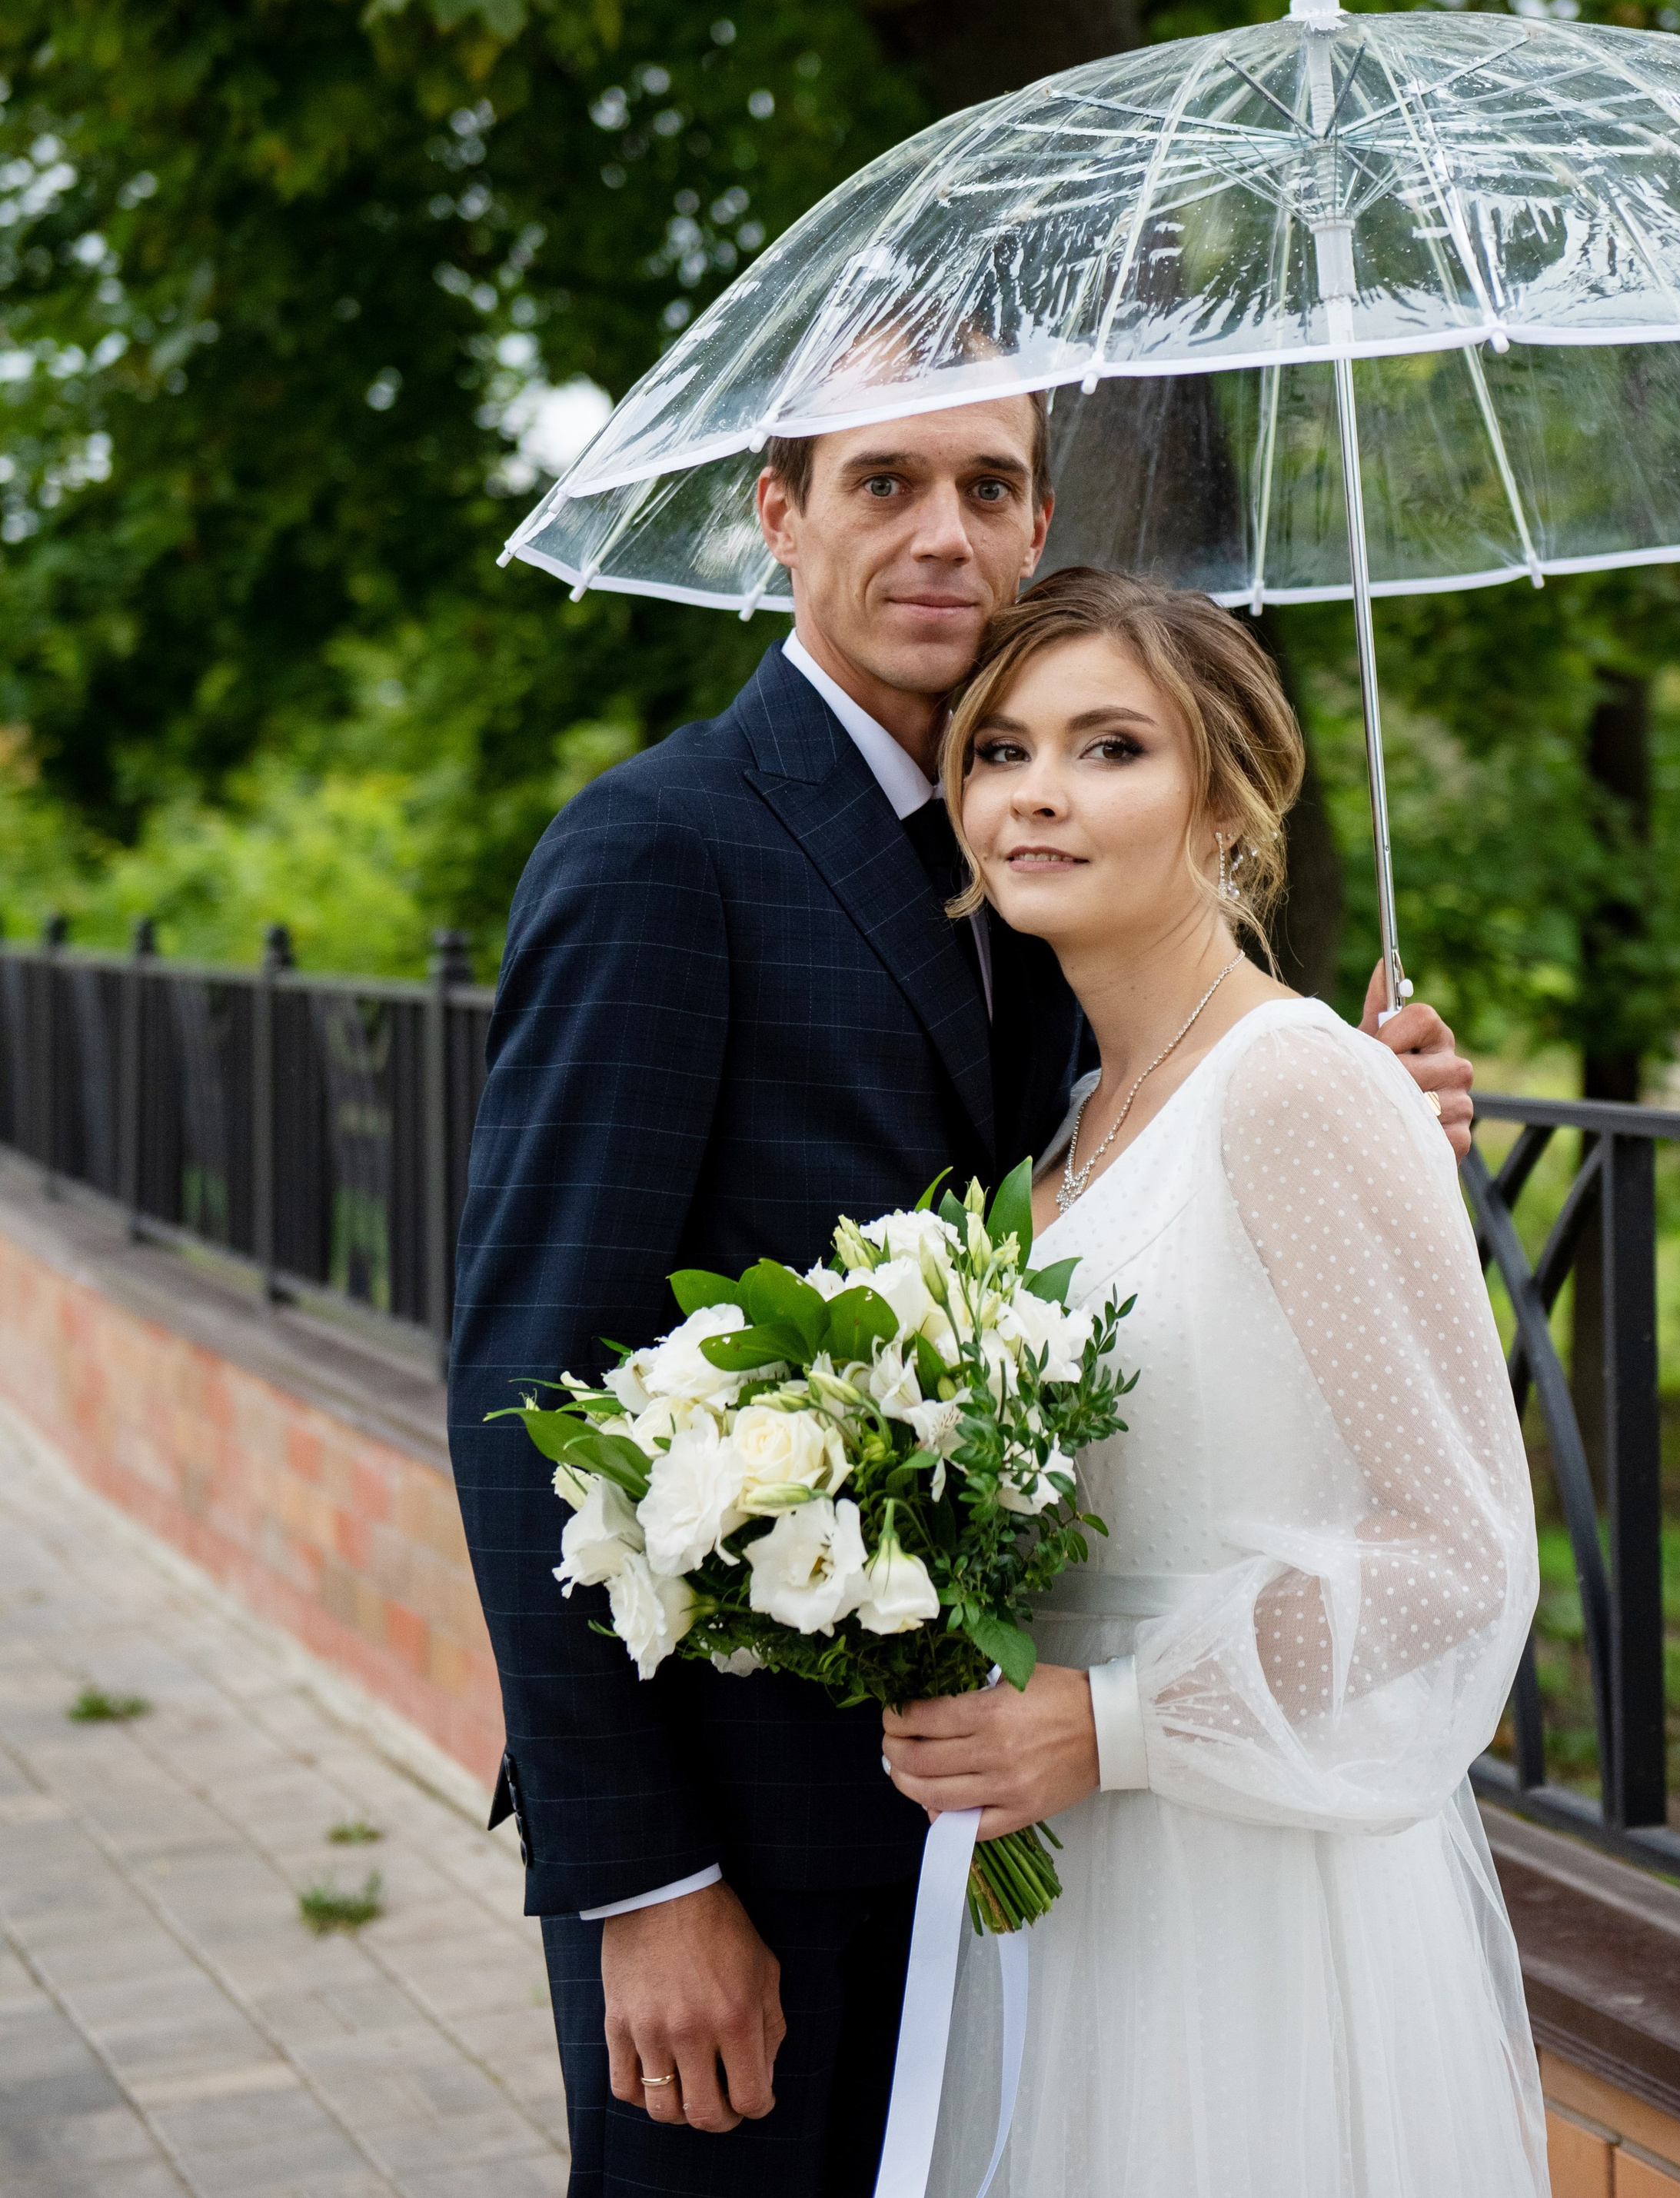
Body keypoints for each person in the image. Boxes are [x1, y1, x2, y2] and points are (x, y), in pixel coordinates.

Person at [447, 399, 1478, 2198]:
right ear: (780, 512)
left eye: (985, 485)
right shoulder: (658, 849)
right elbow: (526, 1384)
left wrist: (1363, 1118)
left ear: (1034, 524)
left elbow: (1181, 1213)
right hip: (747, 1861)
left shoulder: (1032, 890)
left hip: (1037, 1851)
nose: (940, 530)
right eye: (883, 482)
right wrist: (647, 1881)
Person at [884, 568, 1545, 2198]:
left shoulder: (1298, 1089)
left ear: (1231, 801)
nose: (1036, 791)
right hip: (1068, 1873)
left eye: (1110, 747)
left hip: (1241, 1883)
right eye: (1000, 749)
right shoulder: (1072, 1125)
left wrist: (1114, 1723)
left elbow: (1458, 1548)